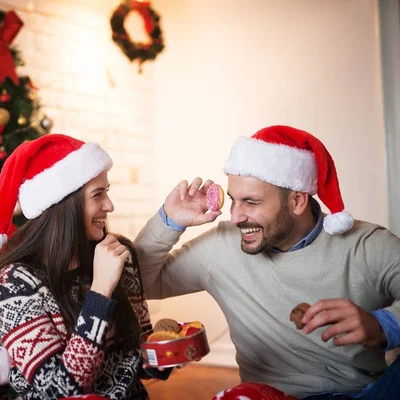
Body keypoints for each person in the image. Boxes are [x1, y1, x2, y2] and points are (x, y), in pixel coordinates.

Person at [134, 125, 400, 399]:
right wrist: (170, 220)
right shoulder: (222, 246)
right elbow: (139, 285)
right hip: (266, 395)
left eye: (251, 201)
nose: (236, 217)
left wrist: (383, 325)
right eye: (233, 200)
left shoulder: (365, 244)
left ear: (297, 201)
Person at [0, 134, 166, 400]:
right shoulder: (14, 284)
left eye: (107, 192)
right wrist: (100, 293)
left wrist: (165, 353)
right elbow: (60, 390)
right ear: (64, 205)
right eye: (97, 195)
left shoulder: (118, 256)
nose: (109, 205)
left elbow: (137, 359)